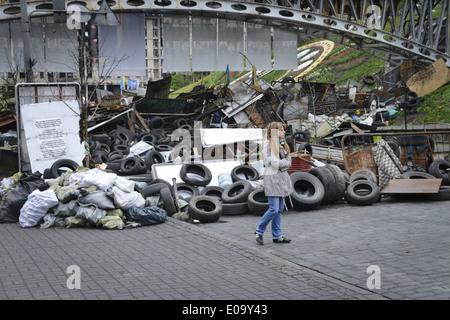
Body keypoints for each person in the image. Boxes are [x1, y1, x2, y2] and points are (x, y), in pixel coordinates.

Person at [255, 122, 298, 245]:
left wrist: (284, 162)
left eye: (283, 130)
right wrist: (284, 162)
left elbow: (288, 161)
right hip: (272, 178)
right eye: (281, 130)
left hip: (282, 178)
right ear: (274, 131)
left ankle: (277, 236)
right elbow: (275, 164)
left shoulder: (282, 144)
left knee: (279, 209)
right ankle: (259, 231)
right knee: (273, 209)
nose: (284, 132)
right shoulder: (268, 145)